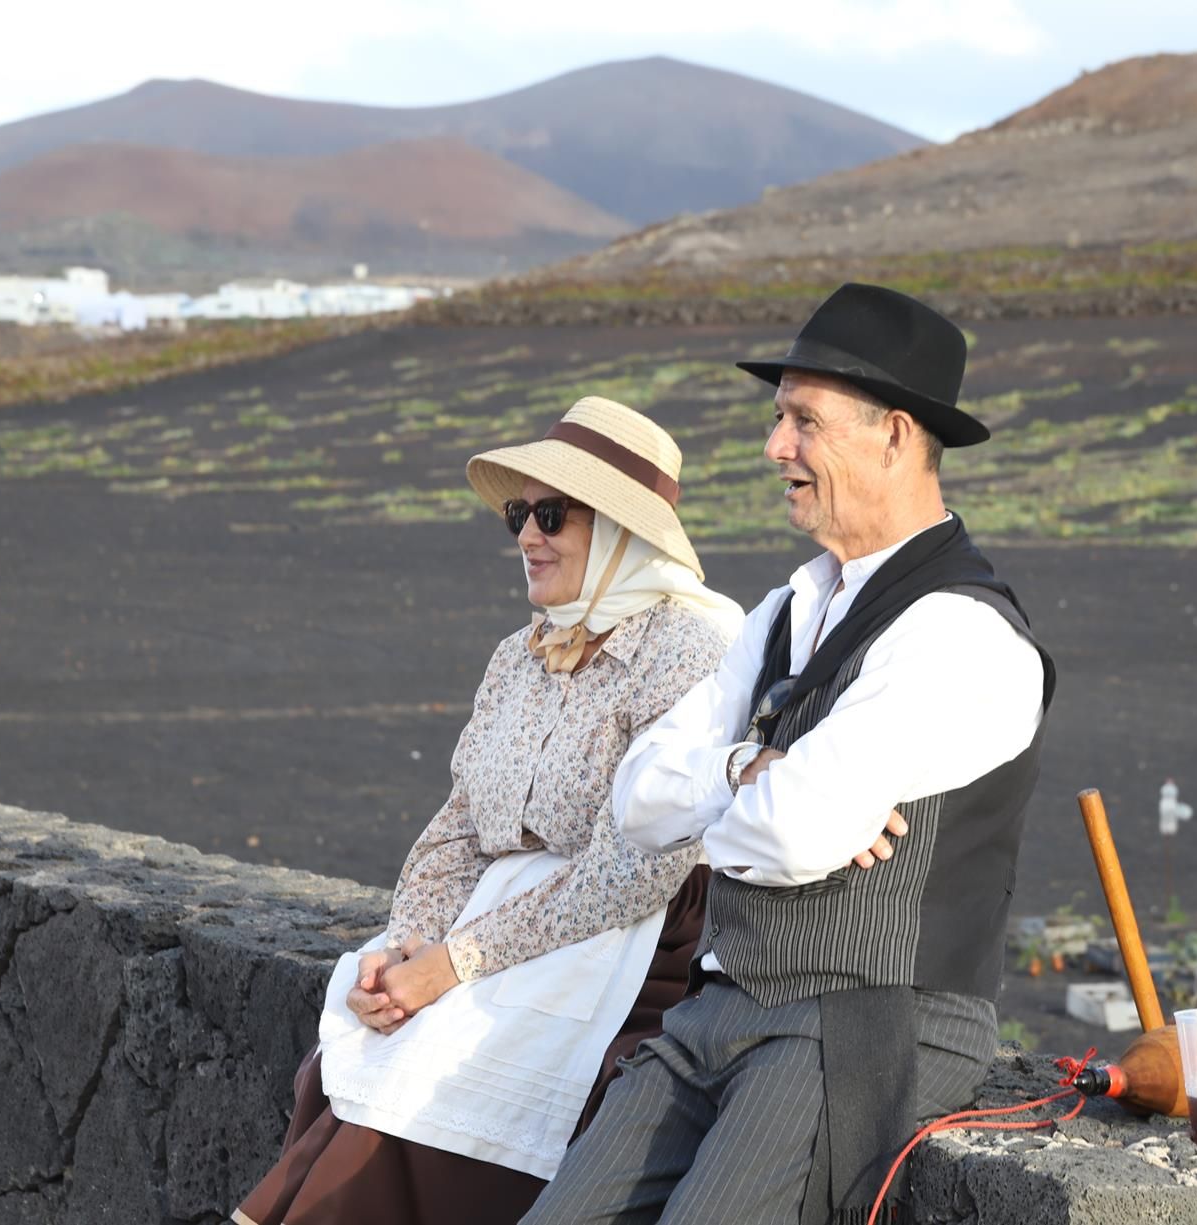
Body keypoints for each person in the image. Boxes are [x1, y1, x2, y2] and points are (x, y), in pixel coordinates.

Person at [522, 284, 1056, 1225]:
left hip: (864, 1024)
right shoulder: (784, 611)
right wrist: (744, 774)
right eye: (780, 420)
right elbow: (638, 799)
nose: (776, 448)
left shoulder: (958, 633)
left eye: (803, 421)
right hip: (714, 1009)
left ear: (893, 434)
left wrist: (764, 800)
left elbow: (796, 830)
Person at [233, 396, 744, 1225]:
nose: (527, 536)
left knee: (436, 1074)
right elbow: (460, 825)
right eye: (519, 514)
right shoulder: (522, 652)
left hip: (632, 938)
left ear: (621, 531)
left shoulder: (693, 647)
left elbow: (634, 872)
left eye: (551, 514)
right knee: (370, 1041)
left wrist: (452, 963)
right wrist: (407, 943)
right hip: (507, 923)